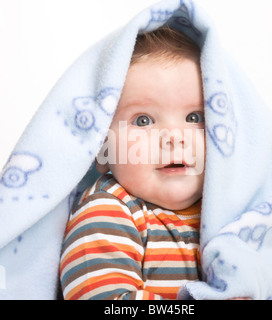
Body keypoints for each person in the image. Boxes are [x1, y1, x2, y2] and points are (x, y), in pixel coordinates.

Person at [59, 27, 206, 300]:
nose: (174, 137)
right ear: (102, 147)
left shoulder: (231, 208)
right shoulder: (110, 211)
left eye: (195, 118)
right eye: (143, 120)